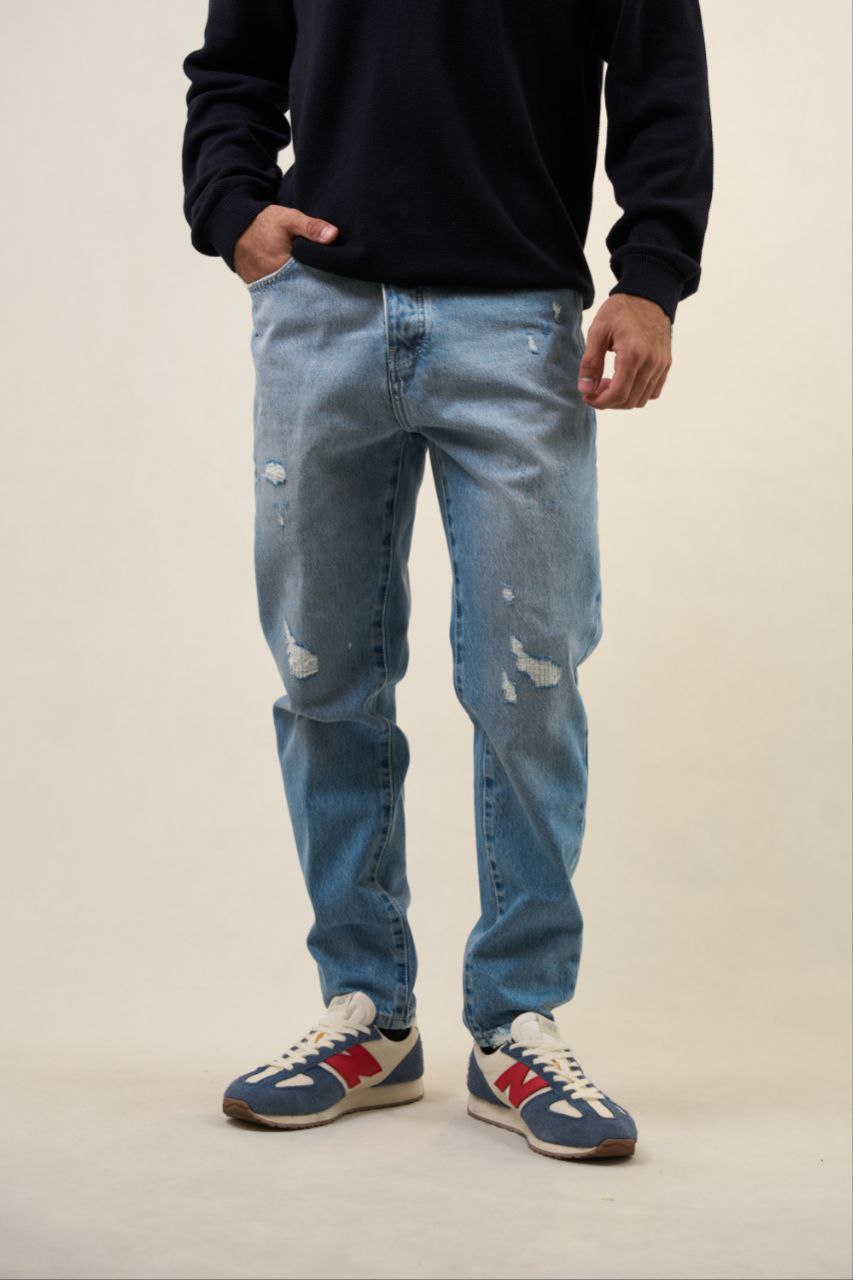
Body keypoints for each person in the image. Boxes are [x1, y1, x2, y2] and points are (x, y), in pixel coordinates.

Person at [181, 0, 713, 1161]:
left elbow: (661, 79)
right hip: (320, 313)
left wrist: (652, 274)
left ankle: (516, 1021)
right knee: (323, 673)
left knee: (530, 684)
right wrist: (230, 208)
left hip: (518, 324)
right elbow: (234, 66)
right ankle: (368, 1012)